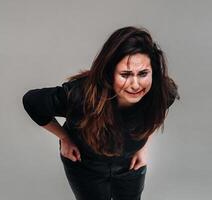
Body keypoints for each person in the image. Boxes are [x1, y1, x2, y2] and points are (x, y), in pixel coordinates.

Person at [22, 26, 180, 200]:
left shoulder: (163, 92)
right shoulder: (79, 96)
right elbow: (32, 102)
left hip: (130, 167)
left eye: (143, 73)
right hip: (86, 167)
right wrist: (65, 138)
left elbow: (158, 112)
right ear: (109, 73)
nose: (135, 84)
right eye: (125, 74)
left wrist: (144, 146)